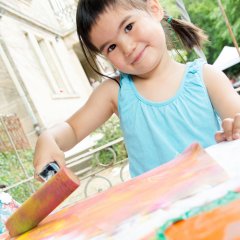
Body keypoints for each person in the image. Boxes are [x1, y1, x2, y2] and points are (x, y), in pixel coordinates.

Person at [33, 0, 240, 178]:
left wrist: (235, 129)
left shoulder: (206, 77)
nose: (127, 47)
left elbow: (237, 119)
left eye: (129, 27)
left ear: (154, 8)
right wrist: (49, 138)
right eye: (111, 47)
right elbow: (72, 130)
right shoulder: (115, 91)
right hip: (158, 216)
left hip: (217, 202)